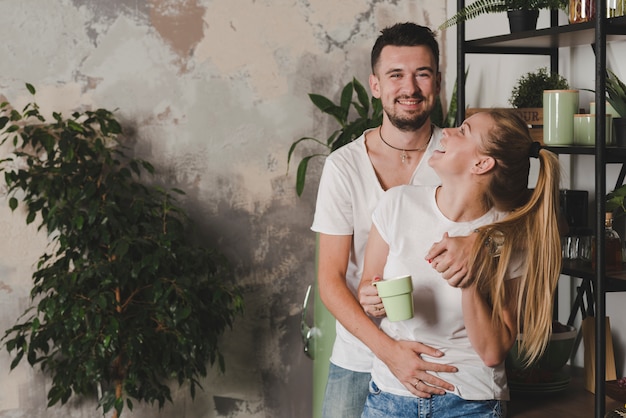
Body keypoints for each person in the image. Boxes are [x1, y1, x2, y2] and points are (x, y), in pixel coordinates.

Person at [311, 22, 471, 418]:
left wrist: (482, 243)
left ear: (437, 81)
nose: (410, 88)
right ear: (376, 84)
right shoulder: (344, 167)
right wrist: (389, 353)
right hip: (360, 358)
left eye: (422, 73)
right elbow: (331, 281)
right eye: (396, 75)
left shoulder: (461, 157)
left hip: (444, 360)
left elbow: (514, 226)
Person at [358, 109, 562, 417]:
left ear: (482, 163)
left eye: (463, 131)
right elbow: (367, 287)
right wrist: (370, 298)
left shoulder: (511, 235)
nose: (447, 132)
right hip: (391, 393)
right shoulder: (396, 204)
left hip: (468, 400)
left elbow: (493, 352)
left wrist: (471, 278)